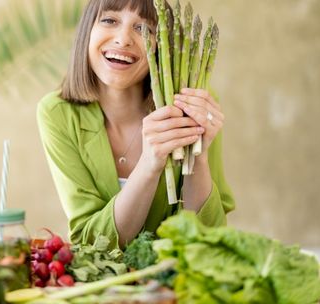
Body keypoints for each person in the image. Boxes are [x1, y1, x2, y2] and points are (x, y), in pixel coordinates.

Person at [37, 0, 235, 249]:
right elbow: (91, 243)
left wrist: (199, 157)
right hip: (106, 286)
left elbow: (208, 239)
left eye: (144, 28)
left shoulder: (193, 105)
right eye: (110, 20)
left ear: (161, 45)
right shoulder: (58, 113)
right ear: (87, 29)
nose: (123, 40)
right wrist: (150, 164)